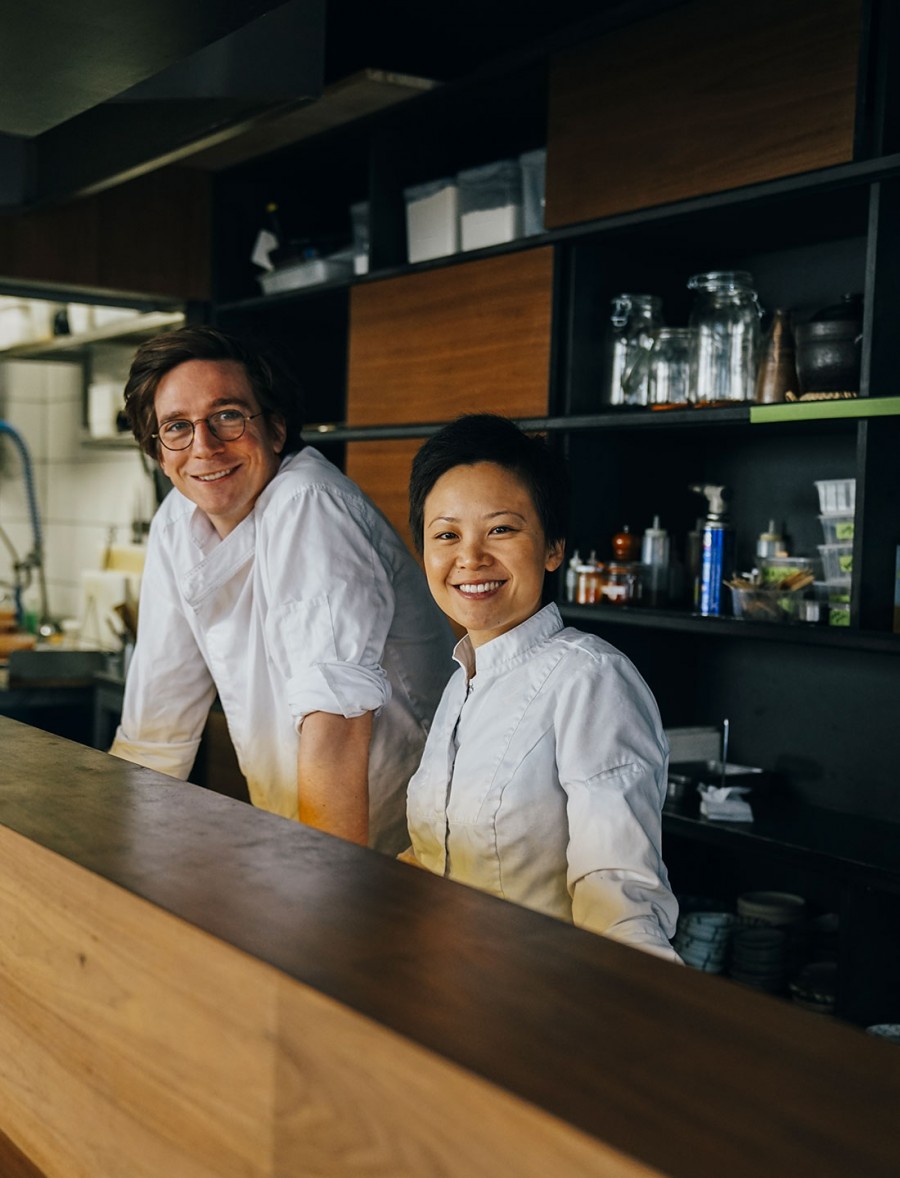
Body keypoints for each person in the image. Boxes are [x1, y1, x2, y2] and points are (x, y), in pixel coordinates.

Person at [110, 325, 453, 853]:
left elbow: (334, 723)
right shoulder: (177, 521)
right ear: (158, 452)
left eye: (227, 416)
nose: (203, 446)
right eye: (177, 427)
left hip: (393, 843)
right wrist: (115, 861)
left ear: (274, 428)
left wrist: (322, 887)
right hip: (300, 832)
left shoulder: (307, 503)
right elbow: (154, 728)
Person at [404, 414, 680, 960]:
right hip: (443, 991)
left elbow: (618, 901)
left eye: (502, 529)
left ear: (553, 548)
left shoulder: (591, 680)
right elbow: (436, 855)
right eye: (446, 534)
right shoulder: (463, 677)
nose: (470, 557)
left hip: (539, 1008)